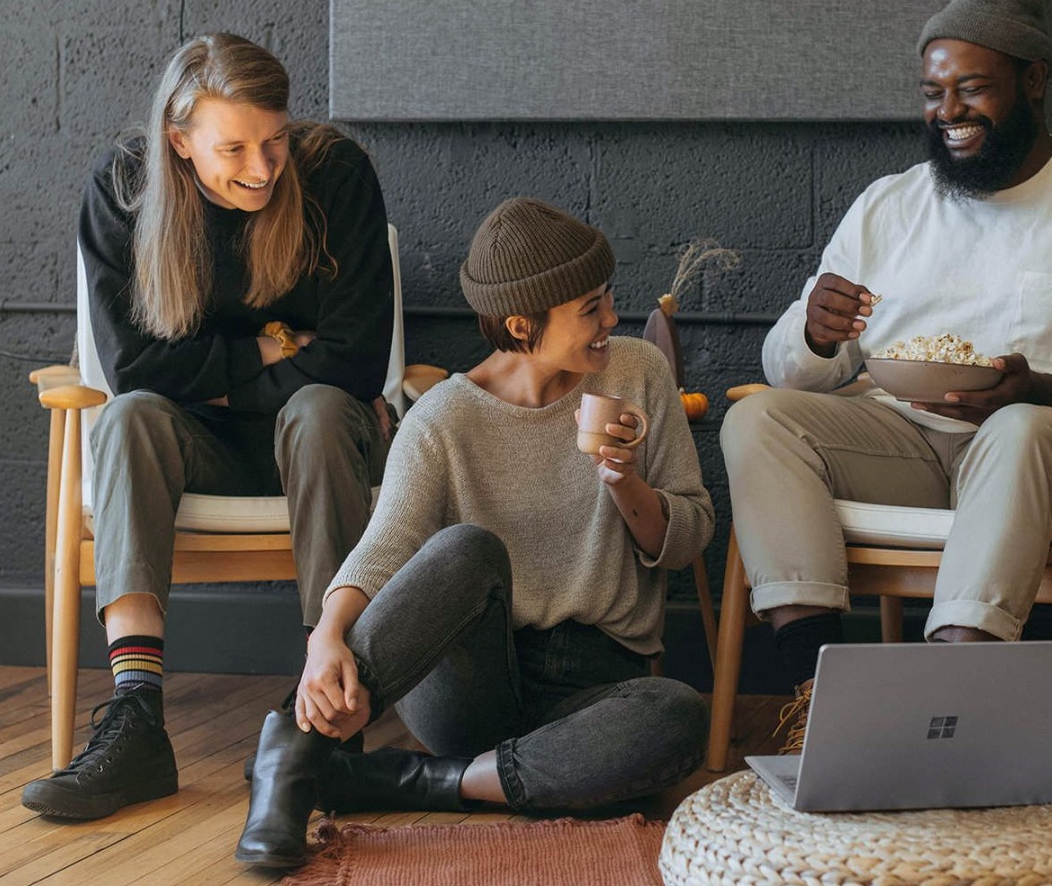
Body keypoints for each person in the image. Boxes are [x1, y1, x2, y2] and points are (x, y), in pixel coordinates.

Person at [720, 0, 1052, 747]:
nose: (948, 113)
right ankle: (820, 701)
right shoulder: (889, 205)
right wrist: (816, 331)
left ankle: (948, 703)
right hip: (902, 439)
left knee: (1018, 429)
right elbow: (793, 372)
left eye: (972, 89)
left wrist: (1045, 389)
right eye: (933, 92)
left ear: (1034, 82)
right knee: (759, 419)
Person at [232, 198, 714, 870]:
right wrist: (326, 639)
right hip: (472, 685)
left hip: (599, 686)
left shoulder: (636, 372)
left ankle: (419, 782)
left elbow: (690, 536)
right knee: (465, 549)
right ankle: (297, 750)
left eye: (608, 300)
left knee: (678, 716)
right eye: (589, 310)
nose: (610, 320)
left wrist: (625, 481)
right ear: (522, 324)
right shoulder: (443, 419)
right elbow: (387, 542)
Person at [21, 33, 396, 820]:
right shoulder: (124, 188)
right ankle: (136, 721)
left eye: (275, 140)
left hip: (325, 443)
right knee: (125, 420)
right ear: (178, 140)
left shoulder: (335, 175)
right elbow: (129, 369)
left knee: (322, 409)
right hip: (196, 450)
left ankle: (327, 712)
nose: (263, 169)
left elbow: (356, 366)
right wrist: (273, 349)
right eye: (235, 148)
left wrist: (211, 376)